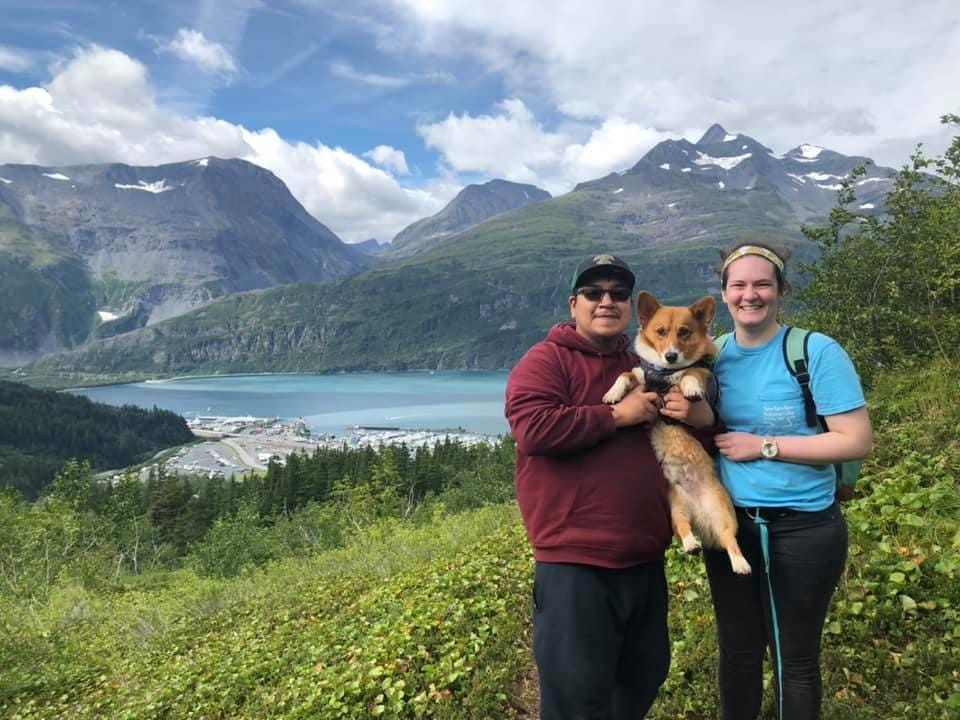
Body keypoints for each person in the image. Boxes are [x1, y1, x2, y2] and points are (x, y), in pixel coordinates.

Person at [504, 253, 715, 720]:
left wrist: (703, 419)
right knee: (575, 696)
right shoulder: (545, 360)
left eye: (618, 294)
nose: (607, 301)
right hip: (574, 561)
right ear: (573, 303)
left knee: (642, 676)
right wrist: (615, 415)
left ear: (632, 310)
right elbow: (533, 430)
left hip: (643, 558)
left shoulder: (648, 361)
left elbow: (687, 439)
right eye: (594, 293)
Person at [707, 242, 873, 720]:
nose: (750, 295)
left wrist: (764, 446)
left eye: (762, 284)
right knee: (737, 654)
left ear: (782, 290)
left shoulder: (813, 351)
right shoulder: (713, 354)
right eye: (738, 285)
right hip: (731, 528)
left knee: (794, 659)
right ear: (723, 294)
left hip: (804, 528)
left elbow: (855, 440)